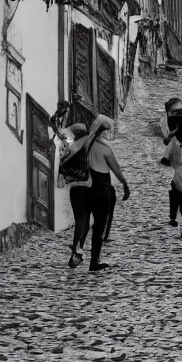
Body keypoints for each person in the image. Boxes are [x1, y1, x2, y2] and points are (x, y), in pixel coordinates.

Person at [86, 115, 130, 271]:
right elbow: (115, 169)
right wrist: (125, 184)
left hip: (85, 187)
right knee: (99, 225)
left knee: (83, 223)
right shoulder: (104, 149)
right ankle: (94, 261)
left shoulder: (85, 144)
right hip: (101, 188)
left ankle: (76, 252)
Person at [57, 122, 93, 269]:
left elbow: (63, 162)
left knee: (80, 218)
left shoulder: (74, 148)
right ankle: (79, 246)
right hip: (90, 186)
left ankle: (76, 246)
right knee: (85, 219)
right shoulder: (90, 147)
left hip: (77, 187)